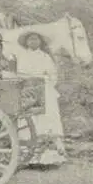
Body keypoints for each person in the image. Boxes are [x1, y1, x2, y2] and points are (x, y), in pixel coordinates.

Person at [14, 31, 67, 166]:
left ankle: (49, 155)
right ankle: (28, 153)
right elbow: (19, 73)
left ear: (40, 42)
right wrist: (30, 80)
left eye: (36, 39)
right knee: (28, 118)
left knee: (49, 117)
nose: (33, 42)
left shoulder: (45, 57)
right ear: (26, 42)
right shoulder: (21, 56)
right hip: (28, 90)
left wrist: (46, 82)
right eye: (30, 39)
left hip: (45, 89)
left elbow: (53, 75)